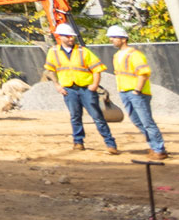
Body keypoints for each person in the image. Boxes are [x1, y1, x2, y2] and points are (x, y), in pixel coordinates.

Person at [44, 23, 119, 154]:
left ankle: (110, 143)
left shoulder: (83, 51)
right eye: (67, 36)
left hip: (86, 89)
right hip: (69, 89)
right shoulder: (53, 52)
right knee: (75, 116)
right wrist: (57, 85)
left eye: (72, 36)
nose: (71, 39)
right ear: (60, 37)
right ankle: (78, 142)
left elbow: (97, 69)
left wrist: (95, 84)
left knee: (97, 116)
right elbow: (50, 70)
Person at [107, 24, 165, 159]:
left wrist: (137, 90)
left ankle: (159, 149)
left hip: (137, 93)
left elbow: (143, 73)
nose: (112, 40)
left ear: (123, 38)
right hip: (124, 92)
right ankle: (153, 146)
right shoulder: (117, 56)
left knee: (147, 121)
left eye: (114, 37)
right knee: (137, 121)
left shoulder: (135, 55)